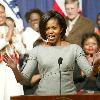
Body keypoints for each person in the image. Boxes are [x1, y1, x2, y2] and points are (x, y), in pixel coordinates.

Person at [4, 10, 93, 95]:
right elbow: (23, 80)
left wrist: (95, 64)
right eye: (47, 28)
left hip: (67, 97)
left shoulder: (74, 49)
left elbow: (90, 74)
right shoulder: (37, 51)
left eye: (54, 28)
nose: (50, 31)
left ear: (61, 29)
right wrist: (15, 69)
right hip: (43, 97)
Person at [0, 4, 24, 100]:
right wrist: (9, 32)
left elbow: (22, 50)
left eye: (2, 12)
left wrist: (13, 43)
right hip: (0, 69)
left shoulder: (15, 30)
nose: (0, 15)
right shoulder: (11, 29)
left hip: (13, 69)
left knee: (14, 94)